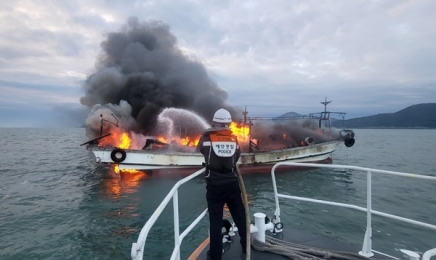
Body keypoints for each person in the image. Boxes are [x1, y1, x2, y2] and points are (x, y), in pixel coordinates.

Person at [198, 108, 247, 260]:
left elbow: (201, 151)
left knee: (215, 221)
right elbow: (237, 155)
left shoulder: (206, 138)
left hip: (214, 186)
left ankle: (215, 255)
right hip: (232, 184)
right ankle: (246, 246)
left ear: (214, 122)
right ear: (228, 124)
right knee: (240, 217)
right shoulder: (234, 139)